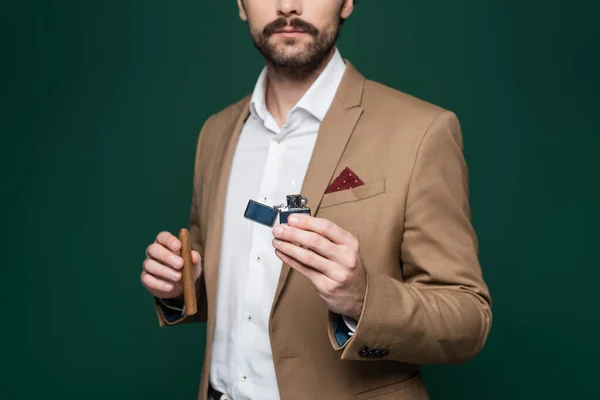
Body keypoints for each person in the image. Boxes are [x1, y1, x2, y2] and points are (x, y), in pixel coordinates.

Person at [141, 1, 493, 399]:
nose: (288, 6)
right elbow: (234, 288)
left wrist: (363, 298)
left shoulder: (422, 132)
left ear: (347, 3)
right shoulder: (216, 133)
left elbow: (468, 321)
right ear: (240, 5)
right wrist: (182, 285)